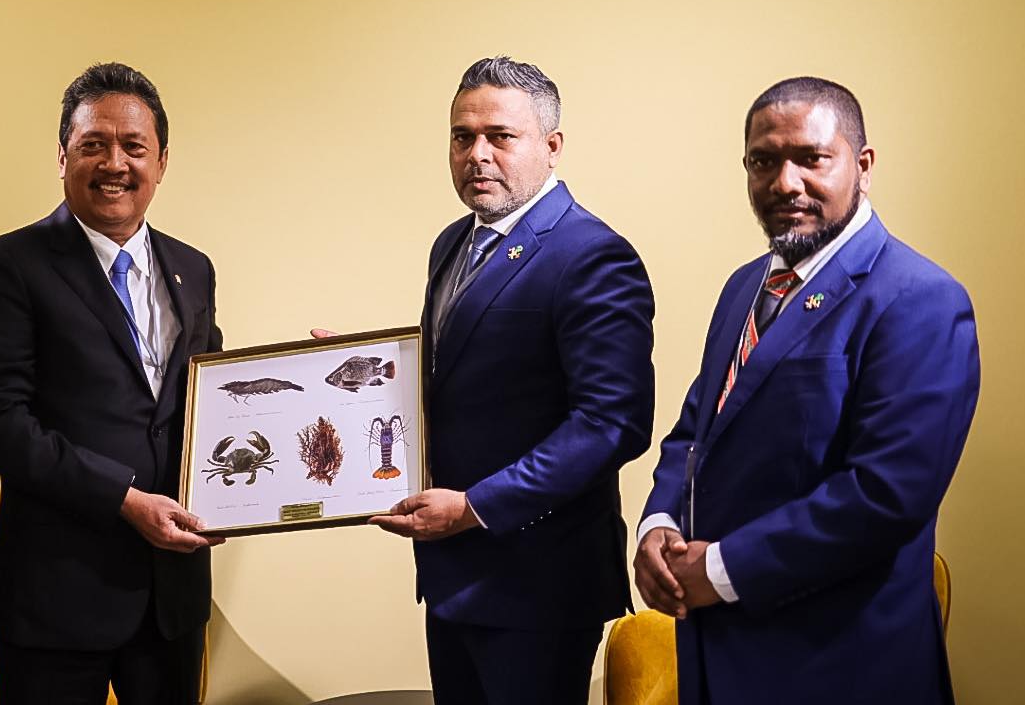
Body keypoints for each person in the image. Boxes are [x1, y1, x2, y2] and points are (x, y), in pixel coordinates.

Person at [634, 77, 978, 704]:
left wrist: (721, 569)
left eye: (811, 158)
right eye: (763, 161)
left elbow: (885, 495)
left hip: (840, 667)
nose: (785, 182)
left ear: (863, 165)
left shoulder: (920, 299)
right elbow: (697, 430)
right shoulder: (744, 287)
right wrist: (658, 522)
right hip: (716, 657)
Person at [368, 56, 655, 704]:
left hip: (540, 584)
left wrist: (475, 507)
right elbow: (462, 376)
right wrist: (361, 380)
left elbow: (612, 423)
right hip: (453, 575)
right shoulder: (453, 242)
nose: (477, 154)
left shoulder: (592, 255)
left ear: (551, 146)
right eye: (461, 136)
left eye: (500, 136)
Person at [0, 62, 223, 705]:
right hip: (57, 595)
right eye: (93, 144)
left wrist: (318, 389)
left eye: (134, 147)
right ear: (62, 156)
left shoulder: (193, 269)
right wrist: (123, 498)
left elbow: (209, 403)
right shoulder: (11, 265)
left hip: (171, 596)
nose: (114, 164)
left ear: (162, 161)